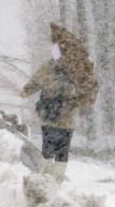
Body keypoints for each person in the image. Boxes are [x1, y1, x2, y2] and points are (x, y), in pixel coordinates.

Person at [20, 24, 98, 183]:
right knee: (63, 150)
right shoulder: (82, 64)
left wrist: (26, 91)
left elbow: (37, 80)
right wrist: (83, 101)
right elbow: (88, 86)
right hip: (67, 115)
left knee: (48, 147)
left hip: (49, 112)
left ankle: (43, 180)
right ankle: (57, 181)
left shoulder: (53, 63)